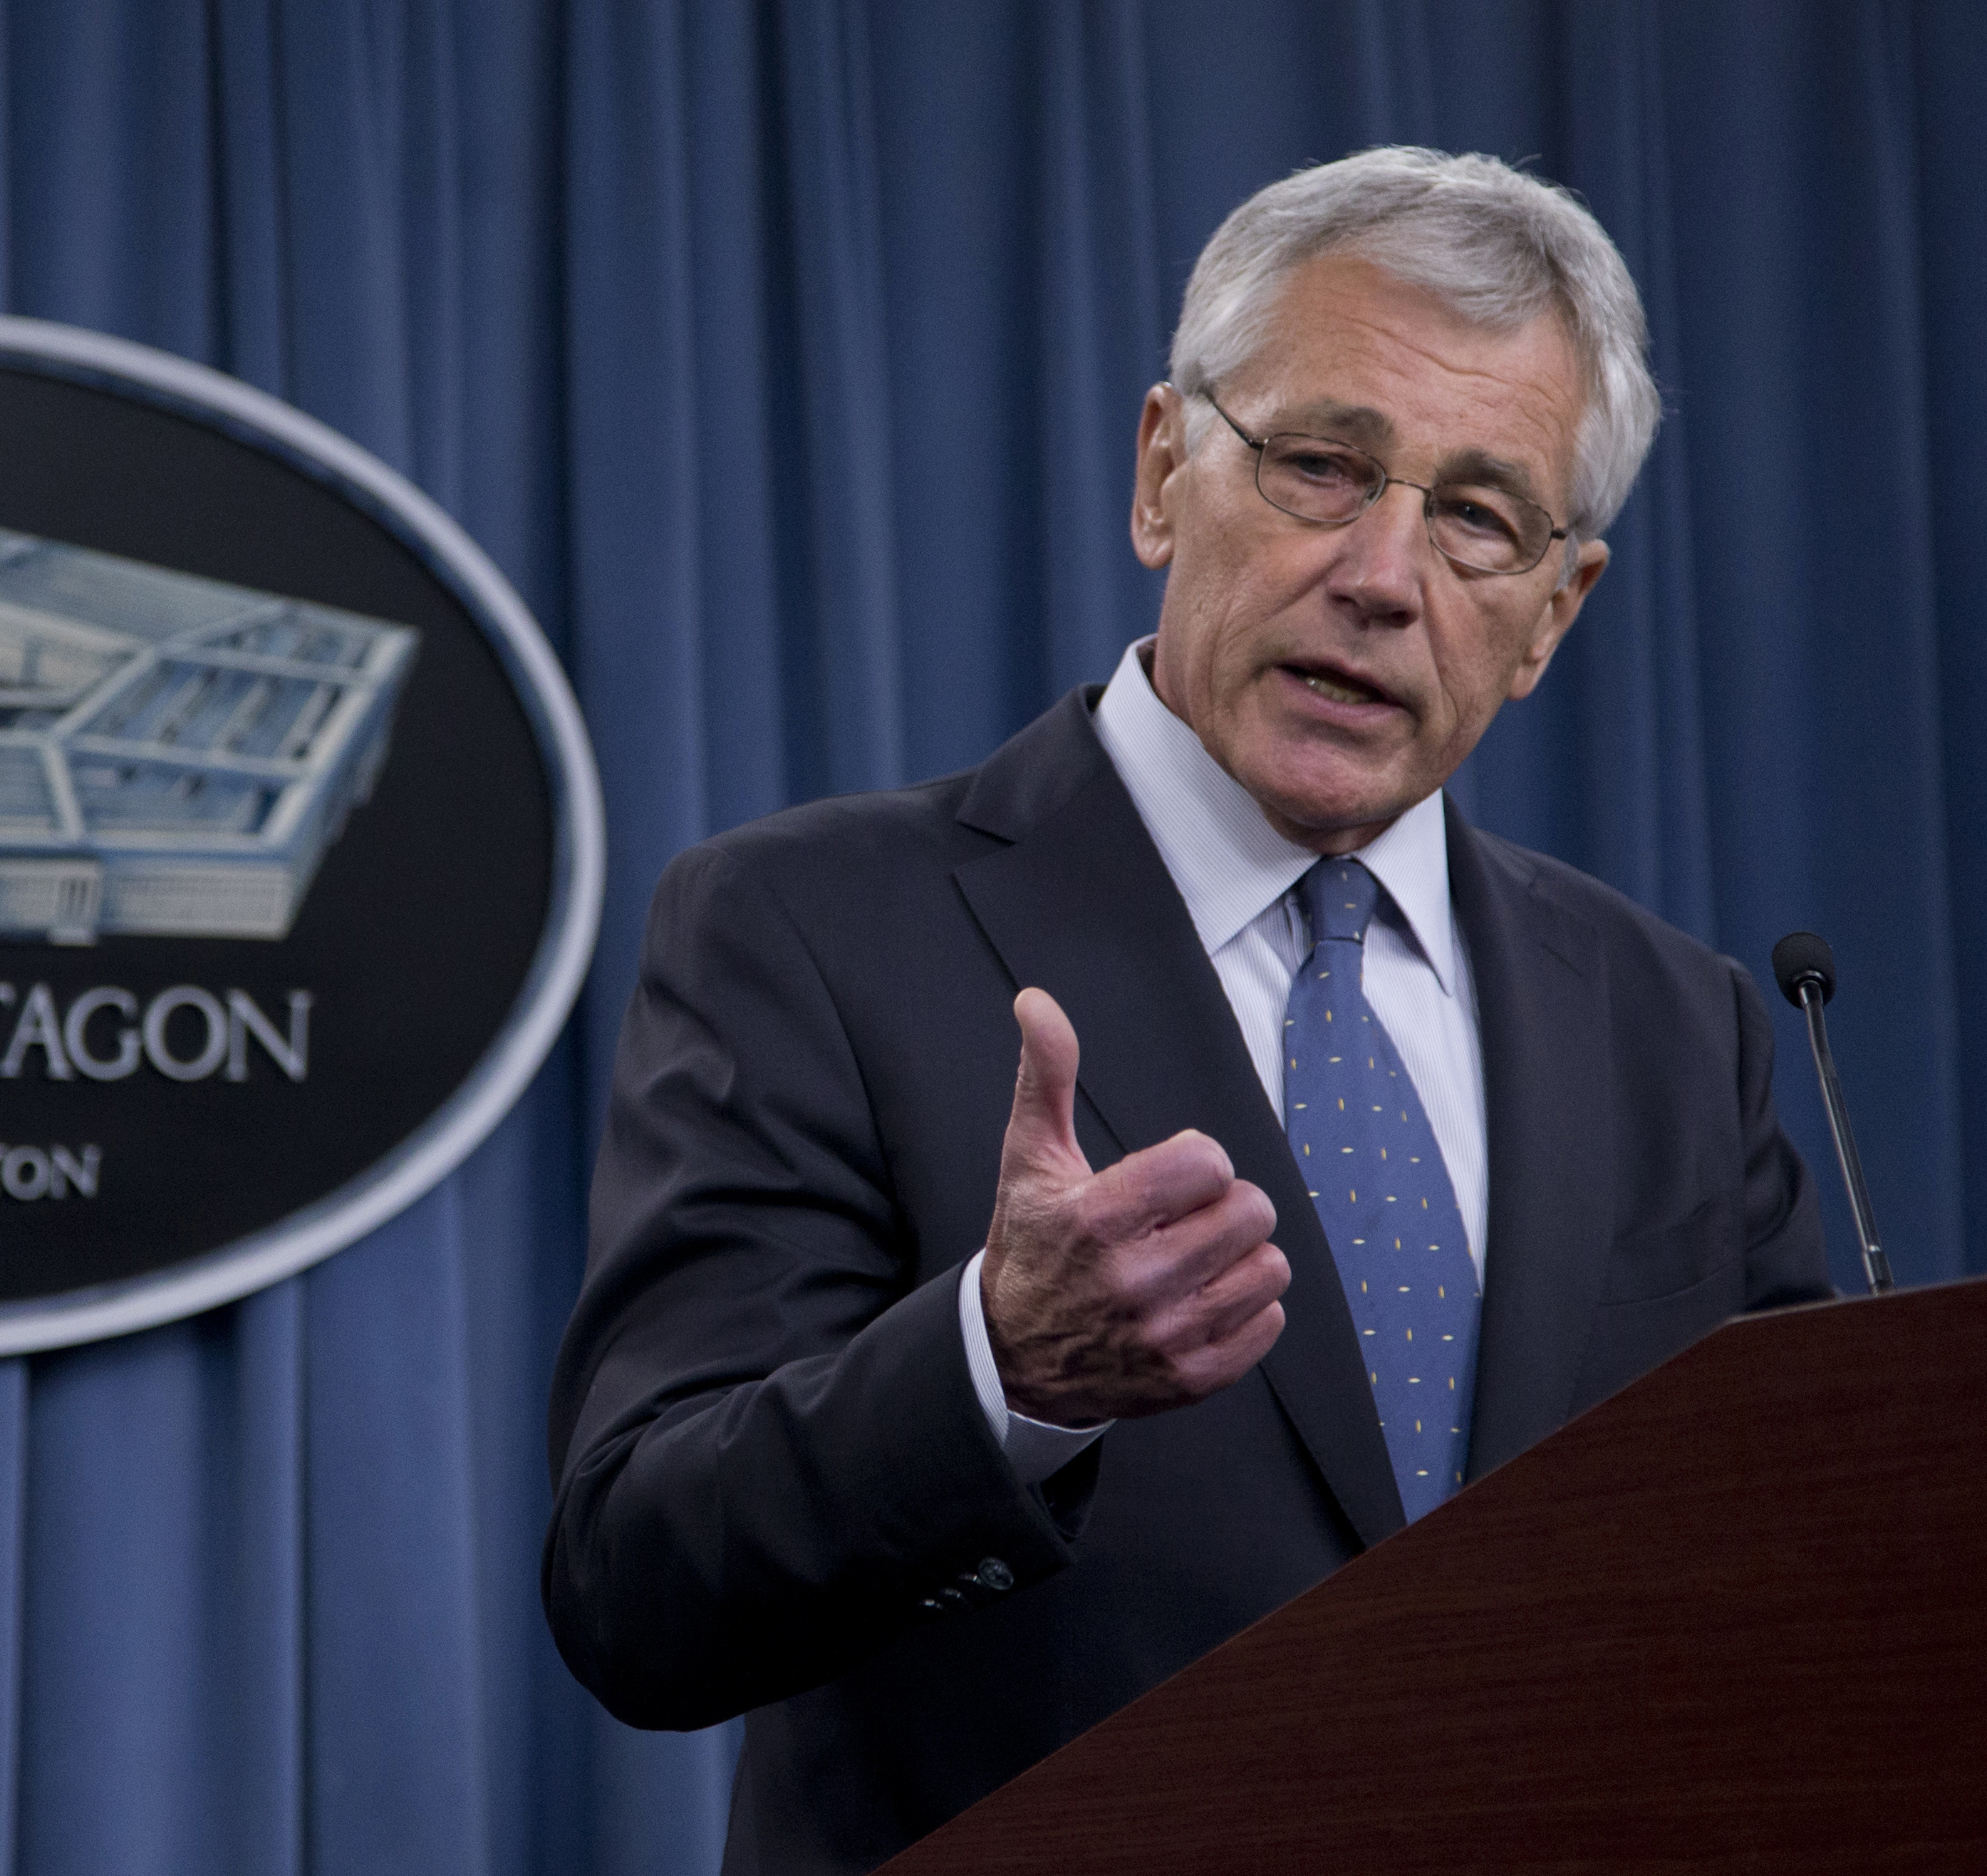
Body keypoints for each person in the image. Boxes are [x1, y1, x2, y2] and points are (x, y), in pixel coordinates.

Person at [541, 147, 1835, 1876]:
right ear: (1166, 474)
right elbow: (639, 1586)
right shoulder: (810, 927)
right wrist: (1001, 1371)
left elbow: (1803, 1584)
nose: (1387, 574)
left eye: (1476, 516)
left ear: (1551, 614)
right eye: (1322, 466)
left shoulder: (1682, 1022)